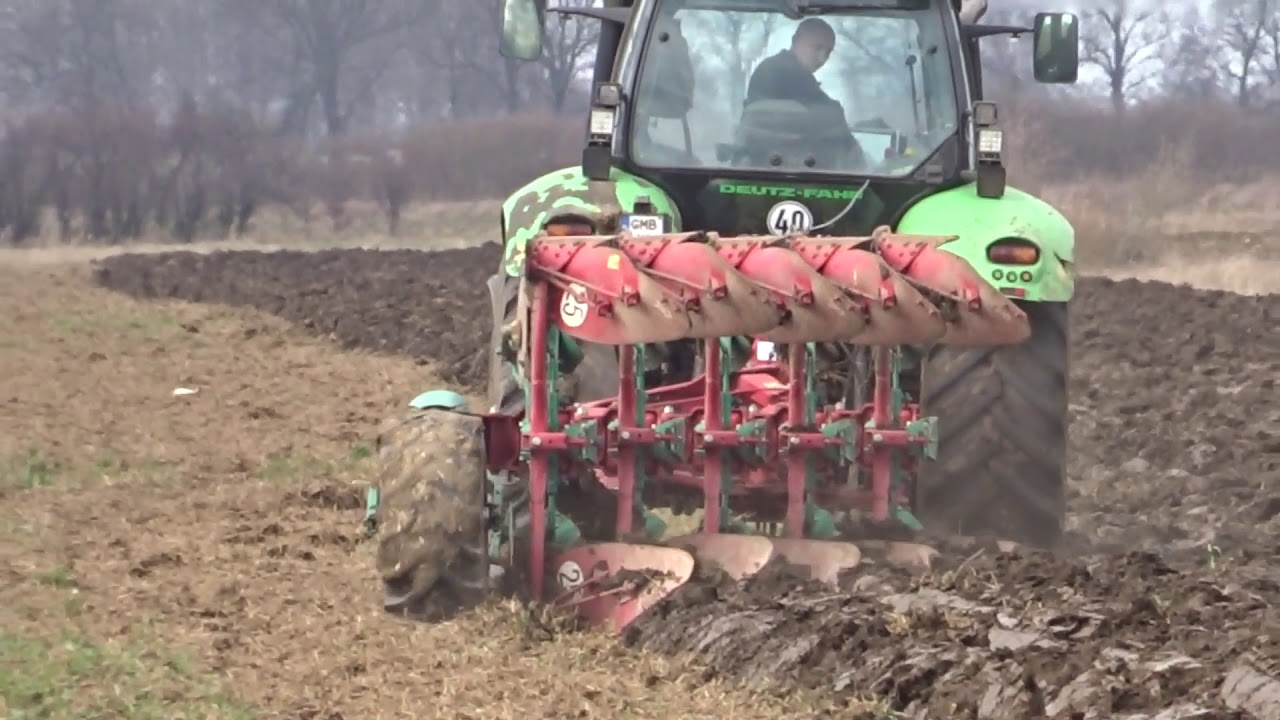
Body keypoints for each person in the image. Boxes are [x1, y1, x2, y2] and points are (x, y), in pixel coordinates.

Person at [745, 18, 841, 110]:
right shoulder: (778, 72)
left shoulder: (776, 68)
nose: (822, 58)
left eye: (828, 52)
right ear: (795, 41)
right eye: (817, 48)